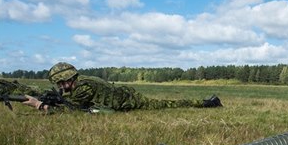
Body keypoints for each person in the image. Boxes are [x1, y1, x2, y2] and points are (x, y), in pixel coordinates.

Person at [21, 62, 223, 112]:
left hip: (131, 102)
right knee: (168, 104)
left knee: (169, 105)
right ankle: (206, 102)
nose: (60, 87)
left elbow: (70, 109)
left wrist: (39, 105)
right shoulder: (81, 82)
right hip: (126, 95)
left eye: (60, 83)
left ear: (66, 80)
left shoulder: (83, 87)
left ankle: (207, 103)